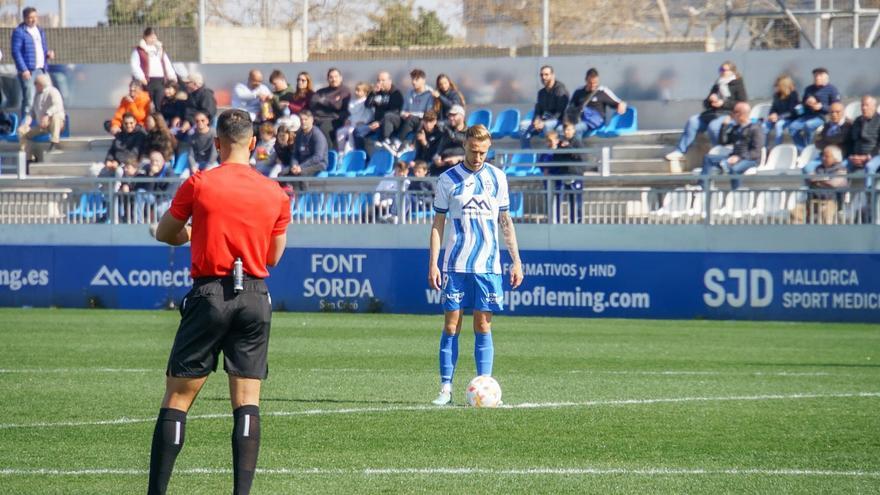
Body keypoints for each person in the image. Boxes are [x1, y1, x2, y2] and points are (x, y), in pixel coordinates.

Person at [147, 108, 291, 495]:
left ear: (216, 142)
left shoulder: (199, 183)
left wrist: (195, 233)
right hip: (255, 296)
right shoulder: (275, 193)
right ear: (254, 144)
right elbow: (273, 257)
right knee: (247, 402)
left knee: (178, 398)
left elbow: (165, 233)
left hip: (209, 293)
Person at [428, 124, 524, 406]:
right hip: (455, 265)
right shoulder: (448, 179)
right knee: (451, 325)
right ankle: (446, 389)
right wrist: (433, 263)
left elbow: (505, 222)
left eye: (483, 151)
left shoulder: (498, 178)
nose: (478, 156)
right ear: (465, 146)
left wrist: (516, 261)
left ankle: (485, 387)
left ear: (488, 148)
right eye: (473, 150)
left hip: (488, 265)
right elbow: (438, 224)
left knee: (483, 325)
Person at [666, 61, 748, 161]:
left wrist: (723, 103)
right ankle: (680, 150)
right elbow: (705, 103)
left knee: (713, 126)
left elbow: (742, 103)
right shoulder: (718, 84)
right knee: (693, 121)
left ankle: (718, 152)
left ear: (732, 72)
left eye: (724, 70)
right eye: (720, 70)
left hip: (728, 114)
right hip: (712, 113)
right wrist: (710, 100)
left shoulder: (737, 84)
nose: (721, 72)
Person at [700, 102, 764, 189]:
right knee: (708, 158)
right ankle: (703, 188)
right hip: (734, 157)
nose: (732, 114)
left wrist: (739, 158)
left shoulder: (755, 129)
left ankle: (736, 192)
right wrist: (724, 127)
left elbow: (756, 152)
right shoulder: (736, 128)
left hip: (750, 160)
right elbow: (723, 142)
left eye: (734, 112)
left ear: (741, 114)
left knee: (735, 169)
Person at [11, 6, 54, 120]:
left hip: (41, 69)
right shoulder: (19, 31)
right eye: (30, 17)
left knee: (47, 95)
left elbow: (41, 48)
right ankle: (25, 126)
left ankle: (44, 123)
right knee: (29, 98)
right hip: (28, 71)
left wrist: (47, 54)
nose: (33, 20)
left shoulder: (39, 30)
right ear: (25, 18)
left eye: (35, 17)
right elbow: (16, 51)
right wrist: (23, 69)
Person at [788, 67, 841, 151]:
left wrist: (821, 106)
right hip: (807, 115)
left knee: (808, 125)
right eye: (815, 76)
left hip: (822, 116)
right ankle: (803, 150)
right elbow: (803, 103)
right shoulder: (809, 89)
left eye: (819, 76)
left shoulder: (832, 90)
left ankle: (808, 149)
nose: (817, 78)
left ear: (826, 77)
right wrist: (807, 102)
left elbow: (837, 106)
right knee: (792, 127)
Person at [793, 145, 848, 225]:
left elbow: (834, 183)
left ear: (835, 158)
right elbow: (810, 179)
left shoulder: (841, 169)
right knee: (796, 211)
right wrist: (823, 180)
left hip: (830, 201)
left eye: (827, 156)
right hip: (812, 201)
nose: (823, 158)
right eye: (823, 156)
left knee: (826, 214)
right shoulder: (819, 168)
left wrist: (818, 180)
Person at [564, 68, 626, 136]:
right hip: (579, 119)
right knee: (563, 129)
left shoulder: (602, 91)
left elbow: (618, 102)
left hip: (595, 121)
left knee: (575, 129)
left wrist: (621, 104)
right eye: (590, 83)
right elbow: (570, 107)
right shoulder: (579, 91)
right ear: (586, 80)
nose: (593, 85)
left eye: (595, 83)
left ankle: (577, 146)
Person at [520, 65, 569, 148]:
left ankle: (548, 155)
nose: (543, 77)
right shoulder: (541, 93)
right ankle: (526, 154)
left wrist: (543, 123)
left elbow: (559, 112)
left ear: (552, 75)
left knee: (547, 125)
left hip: (558, 120)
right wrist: (536, 120)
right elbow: (538, 109)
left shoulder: (560, 90)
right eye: (542, 75)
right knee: (523, 126)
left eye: (546, 74)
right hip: (544, 120)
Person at [17, 73, 65, 157]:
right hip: (42, 126)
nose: (35, 86)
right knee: (22, 131)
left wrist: (47, 115)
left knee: (56, 117)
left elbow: (57, 106)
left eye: (36, 84)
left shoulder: (53, 91)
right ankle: (26, 155)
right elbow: (32, 112)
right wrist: (26, 122)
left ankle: (54, 142)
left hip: (54, 124)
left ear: (41, 84)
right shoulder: (37, 95)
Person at [131, 27, 177, 111]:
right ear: (145, 37)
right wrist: (141, 77)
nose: (152, 39)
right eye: (150, 37)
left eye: (154, 37)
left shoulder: (160, 49)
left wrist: (172, 76)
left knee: (159, 103)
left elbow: (166, 63)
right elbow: (135, 66)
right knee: (147, 104)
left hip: (161, 81)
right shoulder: (138, 51)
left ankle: (159, 121)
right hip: (147, 81)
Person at [309, 67, 351, 150]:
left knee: (324, 128)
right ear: (328, 79)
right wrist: (330, 102)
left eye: (336, 76)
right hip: (319, 119)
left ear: (340, 78)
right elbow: (313, 102)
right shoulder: (321, 91)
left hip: (335, 119)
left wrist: (322, 100)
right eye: (331, 77)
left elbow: (337, 106)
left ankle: (330, 154)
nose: (333, 79)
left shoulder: (344, 91)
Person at [361, 71, 403, 151]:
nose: (380, 83)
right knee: (358, 132)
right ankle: (364, 157)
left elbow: (394, 112)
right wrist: (373, 93)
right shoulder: (376, 93)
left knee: (388, 116)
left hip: (388, 123)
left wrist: (380, 122)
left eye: (383, 80)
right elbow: (367, 105)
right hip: (376, 122)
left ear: (389, 81)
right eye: (378, 80)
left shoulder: (396, 93)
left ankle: (385, 142)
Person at [394, 68, 434, 151]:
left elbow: (428, 113)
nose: (413, 82)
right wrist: (404, 114)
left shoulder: (429, 94)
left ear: (423, 80)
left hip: (421, 120)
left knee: (411, 119)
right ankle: (386, 140)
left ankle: (399, 143)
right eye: (412, 79)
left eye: (416, 79)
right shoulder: (409, 93)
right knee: (390, 116)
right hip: (408, 118)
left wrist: (412, 114)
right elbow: (403, 109)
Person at [285, 109, 328, 177]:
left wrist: (301, 167)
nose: (303, 122)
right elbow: (295, 154)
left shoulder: (317, 135)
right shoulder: (299, 134)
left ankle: (304, 188)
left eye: (306, 119)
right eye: (301, 120)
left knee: (302, 174)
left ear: (311, 120)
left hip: (318, 164)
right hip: (301, 164)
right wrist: (294, 165)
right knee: (282, 174)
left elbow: (318, 157)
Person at [845, 96, 880, 174]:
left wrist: (869, 156)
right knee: (842, 166)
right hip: (857, 156)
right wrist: (852, 156)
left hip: (875, 155)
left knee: (869, 166)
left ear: (874, 107)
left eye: (867, 105)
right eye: (862, 105)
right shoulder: (857, 121)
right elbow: (851, 141)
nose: (864, 108)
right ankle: (843, 186)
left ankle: (869, 186)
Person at [335, 82, 372, 155]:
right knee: (340, 131)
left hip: (361, 125)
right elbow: (352, 114)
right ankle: (341, 152)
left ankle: (351, 150)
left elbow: (370, 114)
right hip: (352, 123)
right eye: (356, 90)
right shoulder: (353, 102)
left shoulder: (367, 102)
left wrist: (364, 121)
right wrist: (348, 119)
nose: (356, 92)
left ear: (365, 92)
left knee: (351, 131)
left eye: (359, 90)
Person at [764, 74, 799, 146]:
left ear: (783, 86)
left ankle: (777, 147)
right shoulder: (776, 95)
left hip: (789, 118)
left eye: (777, 85)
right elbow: (773, 108)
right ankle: (764, 148)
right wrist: (772, 115)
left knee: (778, 125)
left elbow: (792, 112)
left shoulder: (793, 95)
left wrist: (778, 117)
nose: (775, 87)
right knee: (764, 126)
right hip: (777, 118)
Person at [431, 104, 467, 176]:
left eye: (454, 115)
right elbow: (440, 148)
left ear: (462, 116)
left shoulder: (469, 133)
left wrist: (459, 158)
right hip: (444, 165)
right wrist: (437, 157)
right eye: (449, 115)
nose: (451, 118)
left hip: (461, 166)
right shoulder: (447, 133)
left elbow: (474, 154)